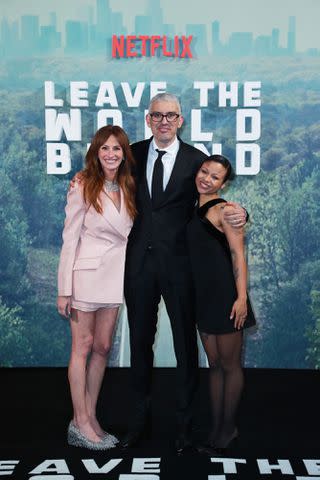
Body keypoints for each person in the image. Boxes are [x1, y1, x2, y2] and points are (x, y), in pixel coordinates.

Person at [121, 92, 248, 453]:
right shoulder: (133, 153)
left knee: (185, 349)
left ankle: (184, 427)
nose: (164, 121)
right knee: (140, 345)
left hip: (181, 268)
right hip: (139, 266)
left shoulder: (196, 160)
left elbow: (214, 200)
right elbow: (105, 176)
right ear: (148, 120)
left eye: (171, 115)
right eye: (157, 115)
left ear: (181, 120)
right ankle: (139, 424)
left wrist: (242, 215)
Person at [57, 125, 136, 450]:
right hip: (86, 276)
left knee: (103, 347)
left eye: (117, 148)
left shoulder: (129, 186)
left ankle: (89, 417)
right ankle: (80, 422)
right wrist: (64, 288)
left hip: (115, 278)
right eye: (105, 148)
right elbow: (69, 237)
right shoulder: (82, 185)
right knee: (82, 347)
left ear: (124, 153)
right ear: (96, 152)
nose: (111, 154)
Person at [187, 155, 256, 453]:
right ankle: (216, 428)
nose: (206, 179)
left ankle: (229, 429)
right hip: (203, 297)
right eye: (204, 171)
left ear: (223, 184)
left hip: (227, 298)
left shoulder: (225, 211)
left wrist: (241, 298)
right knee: (214, 366)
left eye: (215, 177)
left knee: (229, 365)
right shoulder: (192, 207)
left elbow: (238, 255)